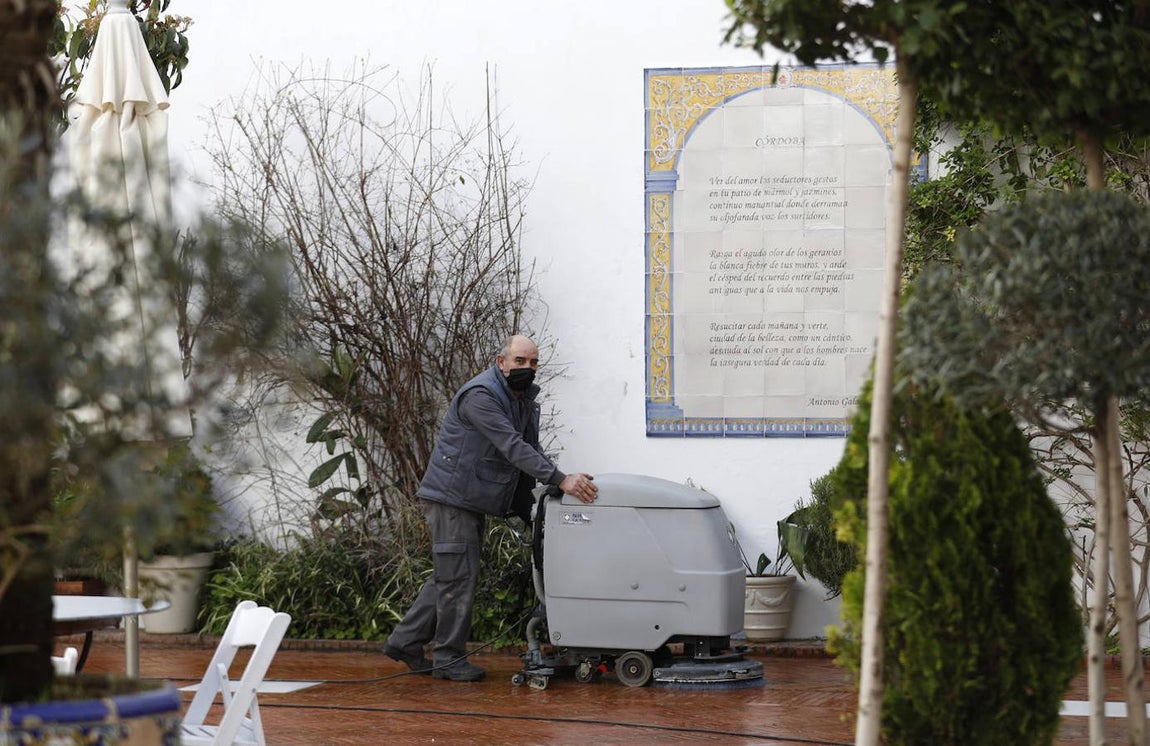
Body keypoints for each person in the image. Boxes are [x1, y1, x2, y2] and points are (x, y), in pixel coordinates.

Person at [383, 334, 598, 682]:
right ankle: (448, 658)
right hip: (453, 498)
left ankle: (405, 641)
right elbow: (511, 446)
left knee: (451, 573)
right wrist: (560, 479)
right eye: (519, 361)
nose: (527, 368)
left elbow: (529, 448)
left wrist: (536, 497)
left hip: (469, 497)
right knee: (458, 575)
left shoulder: (520, 397)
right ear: (501, 362)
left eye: (532, 363)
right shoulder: (480, 396)